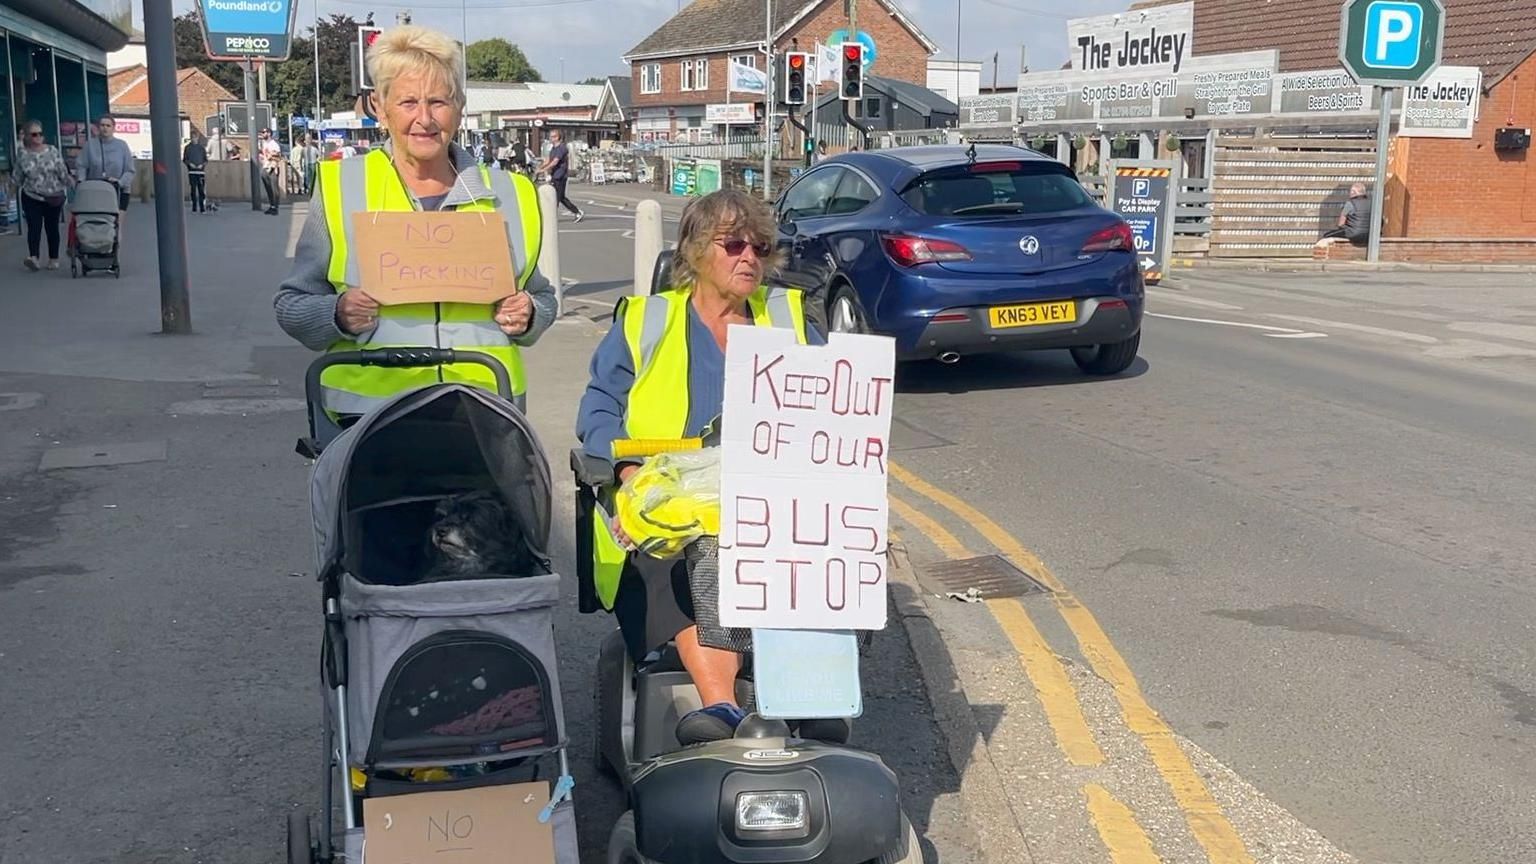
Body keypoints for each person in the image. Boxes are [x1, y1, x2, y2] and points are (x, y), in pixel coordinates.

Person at [576, 188, 820, 745]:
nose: (749, 258)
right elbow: (598, 410)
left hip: (762, 501)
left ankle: (812, 698)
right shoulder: (646, 321)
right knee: (682, 561)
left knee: (815, 550)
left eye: (759, 246)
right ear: (692, 252)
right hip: (665, 502)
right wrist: (631, 471)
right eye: (733, 244)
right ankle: (724, 712)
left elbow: (833, 402)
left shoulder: (788, 318)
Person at [274, 24, 556, 419]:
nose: (424, 119)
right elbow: (291, 304)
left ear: (459, 108)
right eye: (408, 103)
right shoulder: (343, 186)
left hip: (482, 413)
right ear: (380, 107)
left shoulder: (511, 193)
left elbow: (542, 296)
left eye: (438, 102)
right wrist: (335, 314)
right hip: (369, 421)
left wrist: (530, 314)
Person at [13, 120, 73, 270]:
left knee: (51, 227)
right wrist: (10, 193)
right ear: (26, 136)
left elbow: (62, 171)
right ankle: (34, 257)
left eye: (40, 134)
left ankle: (54, 258)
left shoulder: (52, 151)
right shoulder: (23, 155)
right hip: (31, 195)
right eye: (34, 134)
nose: (38, 137)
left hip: (53, 196)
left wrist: (72, 183)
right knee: (34, 226)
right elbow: (18, 177)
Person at [78, 114, 135, 239]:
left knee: (116, 223)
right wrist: (80, 181)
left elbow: (130, 170)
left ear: (113, 128)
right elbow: (82, 165)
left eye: (108, 125)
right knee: (96, 222)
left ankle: (116, 251)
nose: (105, 128)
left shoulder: (122, 146)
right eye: (102, 125)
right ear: (98, 127)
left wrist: (120, 182)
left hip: (118, 190)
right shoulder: (90, 145)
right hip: (96, 190)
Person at [538, 129, 584, 222]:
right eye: (550, 136)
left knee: (557, 198)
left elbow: (555, 162)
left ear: (558, 137)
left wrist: (544, 169)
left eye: (553, 136)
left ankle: (552, 217)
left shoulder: (562, 148)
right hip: (554, 175)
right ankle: (576, 212)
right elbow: (548, 160)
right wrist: (540, 167)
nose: (551, 138)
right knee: (560, 197)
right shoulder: (553, 148)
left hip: (560, 176)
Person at [257, 127, 282, 214]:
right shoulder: (264, 144)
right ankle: (271, 205)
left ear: (269, 134)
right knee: (268, 188)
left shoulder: (273, 144)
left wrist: (271, 156)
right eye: (262, 132)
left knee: (274, 188)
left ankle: (275, 207)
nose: (262, 134)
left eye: (264, 132)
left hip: (272, 167)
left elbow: (278, 155)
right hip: (265, 166)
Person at [183, 132, 209, 214]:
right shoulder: (187, 148)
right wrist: (190, 164)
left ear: (198, 138)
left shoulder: (201, 148)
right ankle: (194, 207)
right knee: (193, 189)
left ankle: (202, 208)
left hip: (201, 172)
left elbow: (205, 160)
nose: (194, 139)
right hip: (192, 171)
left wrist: (202, 165)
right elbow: (185, 159)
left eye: (195, 137)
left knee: (201, 190)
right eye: (193, 137)